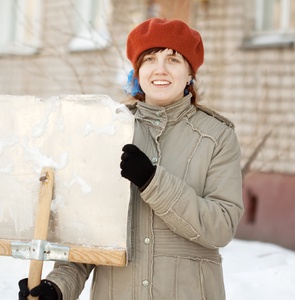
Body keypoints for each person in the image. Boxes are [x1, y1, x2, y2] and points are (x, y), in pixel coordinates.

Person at [18, 17, 244, 300]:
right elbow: (89, 232)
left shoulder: (217, 137)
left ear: (190, 74)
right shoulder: (108, 131)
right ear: (138, 72)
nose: (160, 69)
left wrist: (153, 182)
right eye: (149, 59)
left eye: (173, 60)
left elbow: (221, 227)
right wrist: (57, 286)